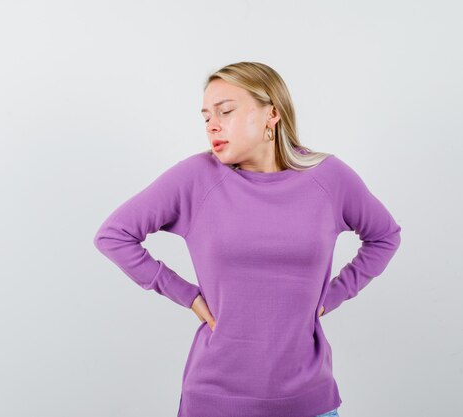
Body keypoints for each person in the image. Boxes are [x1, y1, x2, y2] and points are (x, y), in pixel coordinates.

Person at [93, 61, 401, 417]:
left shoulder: (328, 177)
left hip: (308, 398)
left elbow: (384, 236)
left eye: (225, 111)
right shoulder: (196, 178)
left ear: (272, 114)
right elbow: (114, 235)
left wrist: (332, 295)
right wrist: (188, 296)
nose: (212, 124)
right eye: (206, 116)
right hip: (216, 397)